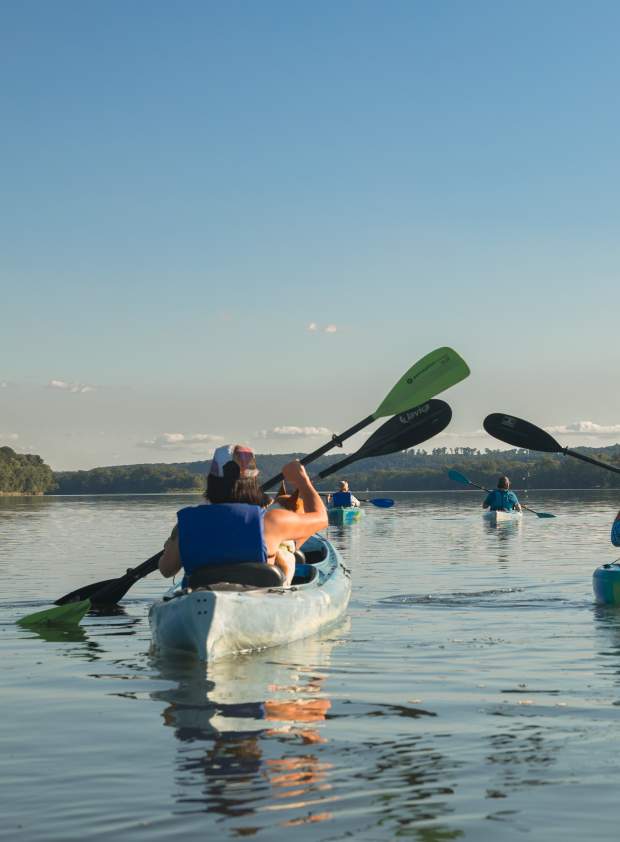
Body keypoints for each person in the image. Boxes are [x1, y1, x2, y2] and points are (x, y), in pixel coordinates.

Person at [159, 444, 327, 586]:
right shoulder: (272, 521)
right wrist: (302, 481)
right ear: (254, 482)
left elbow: (166, 570)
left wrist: (170, 544)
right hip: (260, 599)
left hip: (201, 601)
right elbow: (321, 517)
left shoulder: (187, 524)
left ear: (212, 481)